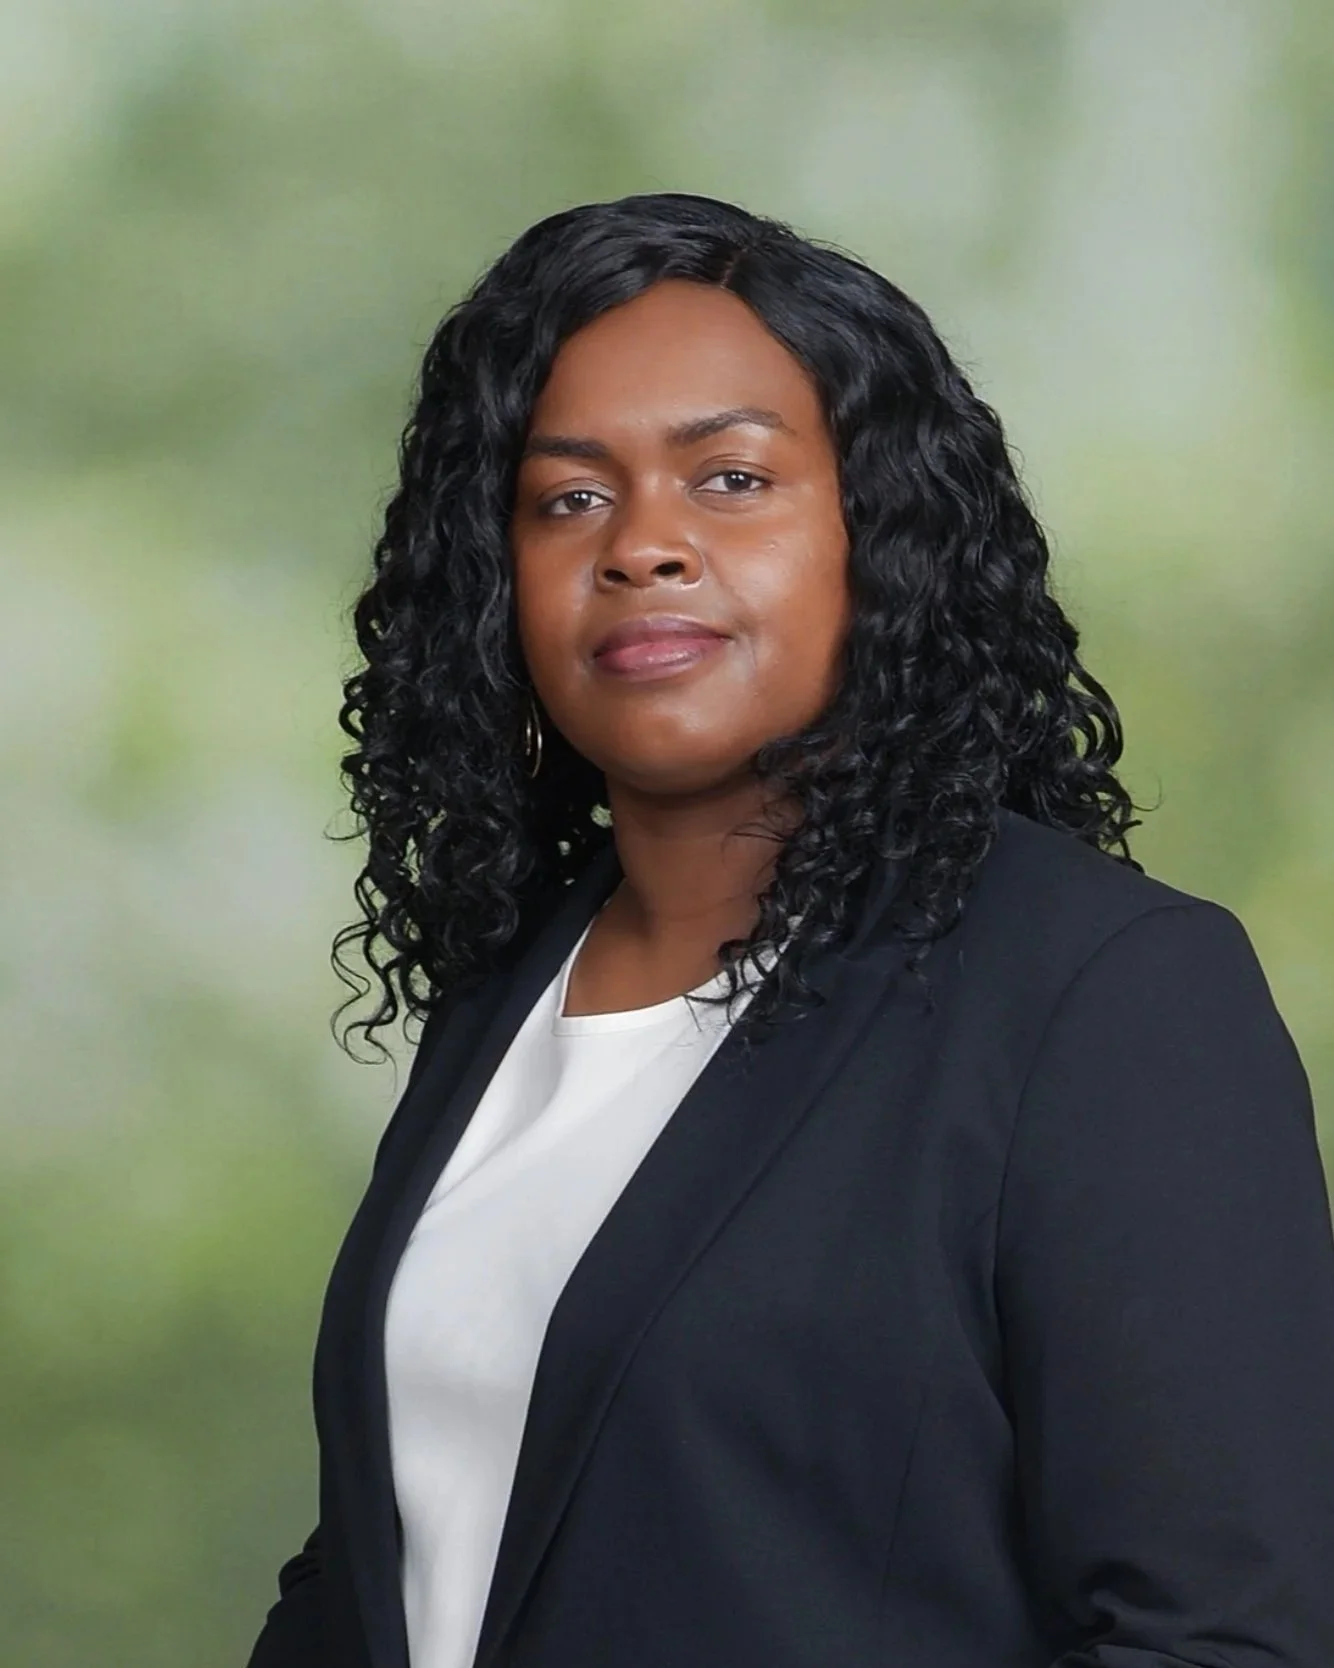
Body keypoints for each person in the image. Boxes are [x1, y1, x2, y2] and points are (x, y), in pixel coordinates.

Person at [244, 193, 1334, 1668]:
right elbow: (391, 1561)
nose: (643, 545)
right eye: (568, 500)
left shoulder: (1104, 994)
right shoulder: (504, 996)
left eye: (732, 478)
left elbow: (1221, 1638)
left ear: (880, 536)